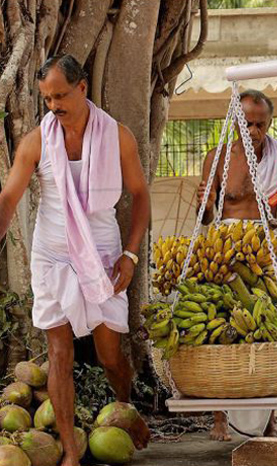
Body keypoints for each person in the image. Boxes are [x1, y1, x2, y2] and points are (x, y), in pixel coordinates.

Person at [0, 55, 151, 466]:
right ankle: (69, 451)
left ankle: (124, 409)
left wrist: (131, 254)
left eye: (60, 95)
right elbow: (9, 199)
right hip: (52, 254)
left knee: (109, 355)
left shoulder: (118, 136)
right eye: (47, 99)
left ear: (82, 88)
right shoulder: (35, 142)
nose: (54, 105)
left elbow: (140, 197)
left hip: (103, 252)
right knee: (59, 352)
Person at [196, 89, 277, 441]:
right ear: (235, 122)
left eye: (261, 124)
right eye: (248, 123)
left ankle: (271, 420)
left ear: (269, 123)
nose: (254, 131)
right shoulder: (217, 158)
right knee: (218, 328)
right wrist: (205, 202)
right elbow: (208, 216)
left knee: (272, 326)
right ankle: (219, 419)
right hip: (225, 248)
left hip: (264, 247)